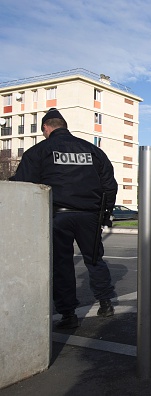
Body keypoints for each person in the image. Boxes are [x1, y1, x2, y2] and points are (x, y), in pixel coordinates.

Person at [10, 108, 117, 329]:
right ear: (64, 126)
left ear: (46, 128)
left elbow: (23, 185)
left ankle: (68, 314)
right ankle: (105, 303)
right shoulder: (92, 150)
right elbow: (109, 185)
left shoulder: (38, 151)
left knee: (62, 264)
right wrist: (104, 213)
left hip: (57, 215)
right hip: (89, 215)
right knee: (95, 259)